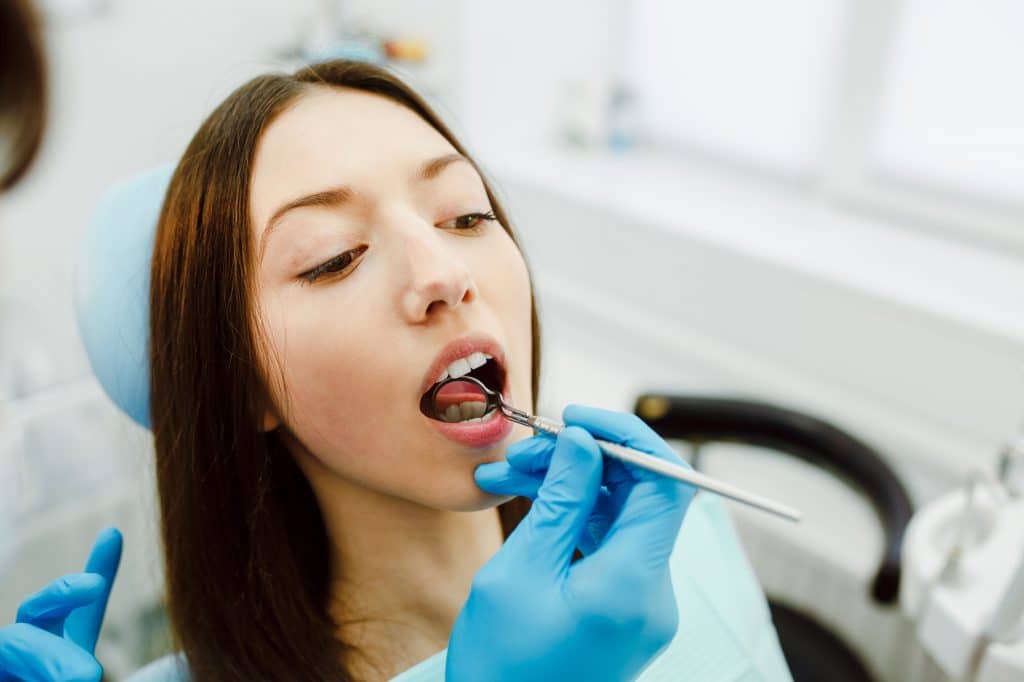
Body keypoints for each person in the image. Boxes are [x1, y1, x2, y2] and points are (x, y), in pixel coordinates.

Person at [1, 4, 791, 679]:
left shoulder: (674, 544)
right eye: (334, 258)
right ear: (244, 387)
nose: (442, 272)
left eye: (465, 215)